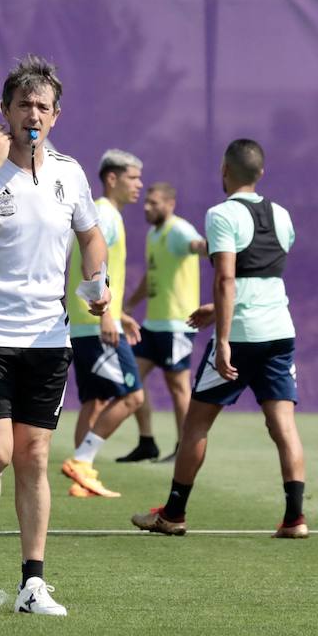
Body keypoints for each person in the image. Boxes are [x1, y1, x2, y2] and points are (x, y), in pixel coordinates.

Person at [0, 55, 110, 618]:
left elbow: (91, 236)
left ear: (55, 115)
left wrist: (97, 281)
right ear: (4, 110)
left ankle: (33, 583)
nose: (32, 113)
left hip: (48, 335)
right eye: (22, 104)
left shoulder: (70, 174)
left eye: (42, 105)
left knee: (34, 455)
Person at [133, 139, 308, 539]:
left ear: (224, 172)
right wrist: (218, 309)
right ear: (261, 173)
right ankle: (295, 518)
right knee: (284, 425)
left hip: (241, 336)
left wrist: (223, 335)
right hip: (280, 330)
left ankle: (173, 514)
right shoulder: (281, 215)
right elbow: (262, 276)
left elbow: (227, 277)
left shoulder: (221, 214)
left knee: (196, 424)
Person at [58, 149, 146, 498]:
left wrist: (118, 311)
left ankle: (83, 478)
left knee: (95, 400)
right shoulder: (106, 215)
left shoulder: (99, 213)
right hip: (95, 323)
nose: (139, 184)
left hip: (85, 320)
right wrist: (108, 316)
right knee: (133, 397)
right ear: (112, 179)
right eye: (133, 177)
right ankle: (82, 460)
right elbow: (94, 269)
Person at [116, 182, 207, 463]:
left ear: (170, 204)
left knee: (178, 387)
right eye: (146, 202)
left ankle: (184, 449)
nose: (147, 206)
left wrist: (212, 246)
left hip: (177, 325)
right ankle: (147, 442)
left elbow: (198, 245)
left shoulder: (179, 230)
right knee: (131, 380)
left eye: (154, 202)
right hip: (154, 326)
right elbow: (151, 276)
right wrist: (131, 302)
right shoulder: (154, 234)